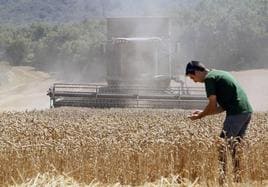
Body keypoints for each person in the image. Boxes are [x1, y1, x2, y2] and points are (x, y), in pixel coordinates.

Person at [185, 60, 253, 184]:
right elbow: (221, 108)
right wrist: (203, 113)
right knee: (235, 147)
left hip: (235, 114)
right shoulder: (219, 73)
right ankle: (237, 180)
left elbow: (212, 104)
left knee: (223, 146)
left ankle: (222, 181)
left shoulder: (209, 79)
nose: (194, 81)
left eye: (192, 77)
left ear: (196, 72)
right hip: (246, 112)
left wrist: (201, 115)